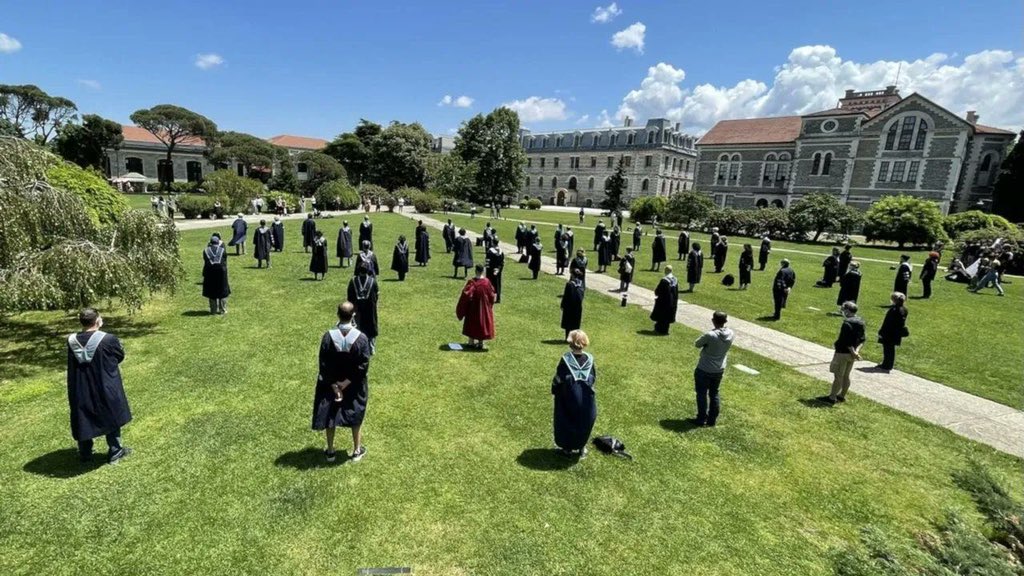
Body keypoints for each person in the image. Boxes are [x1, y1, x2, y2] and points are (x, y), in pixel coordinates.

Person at [66, 308, 132, 463]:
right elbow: (119, 356)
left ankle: (85, 452)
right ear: (97, 321)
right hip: (105, 384)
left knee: (83, 416)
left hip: (80, 387)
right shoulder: (108, 339)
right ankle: (115, 450)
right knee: (111, 413)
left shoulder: (71, 341)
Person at [311, 302, 371, 463]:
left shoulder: (328, 337)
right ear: (353, 315)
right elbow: (363, 365)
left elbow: (323, 363)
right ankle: (357, 450)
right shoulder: (361, 338)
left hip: (332, 382)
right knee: (355, 412)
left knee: (331, 413)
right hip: (354, 384)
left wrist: (334, 385)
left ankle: (330, 451)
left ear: (337, 314)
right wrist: (346, 382)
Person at [551, 329, 597, 458]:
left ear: (571, 343)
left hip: (568, 396)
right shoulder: (590, 359)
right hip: (587, 397)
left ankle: (567, 448)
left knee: (566, 421)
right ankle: (582, 447)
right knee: (584, 421)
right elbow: (593, 378)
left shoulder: (566, 359)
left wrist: (554, 390)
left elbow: (558, 379)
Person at [693, 311, 735, 427]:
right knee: (714, 393)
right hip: (719, 369)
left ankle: (701, 418)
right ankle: (712, 420)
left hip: (704, 368)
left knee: (701, 394)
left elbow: (697, 344)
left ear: (713, 320)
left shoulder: (710, 335)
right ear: (725, 321)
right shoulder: (731, 333)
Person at [826, 301, 866, 404]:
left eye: (843, 310)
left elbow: (846, 341)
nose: (842, 312)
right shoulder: (861, 322)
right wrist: (856, 352)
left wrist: (853, 351)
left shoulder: (847, 323)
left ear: (847, 311)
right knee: (846, 376)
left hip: (842, 353)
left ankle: (832, 397)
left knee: (838, 376)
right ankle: (842, 396)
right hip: (851, 355)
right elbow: (862, 339)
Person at [456, 264, 496, 349]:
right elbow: (492, 295)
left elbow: (466, 294)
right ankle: (480, 343)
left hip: (473, 307)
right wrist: (490, 304)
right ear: (483, 271)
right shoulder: (487, 282)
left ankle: (471, 341)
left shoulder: (472, 282)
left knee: (472, 322)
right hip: (484, 307)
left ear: (476, 271)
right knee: (482, 323)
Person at [348, 267, 380, 354]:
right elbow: (377, 294)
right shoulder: (373, 281)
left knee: (358, 328)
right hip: (370, 309)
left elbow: (349, 297)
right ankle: (371, 347)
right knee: (371, 328)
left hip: (357, 309)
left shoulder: (353, 281)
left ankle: (358, 347)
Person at [877, 292, 908, 372]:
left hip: (889, 332)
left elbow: (887, 322)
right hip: (897, 332)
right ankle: (889, 364)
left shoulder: (893, 310)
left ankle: (886, 364)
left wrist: (881, 332)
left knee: (887, 349)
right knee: (891, 349)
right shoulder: (904, 309)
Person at [202, 234, 230, 314]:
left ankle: (213, 310)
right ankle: (222, 310)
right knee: (222, 291)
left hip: (210, 273)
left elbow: (206, 260)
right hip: (221, 273)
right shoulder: (222, 250)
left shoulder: (205, 251)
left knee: (212, 291)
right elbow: (224, 260)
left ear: (210, 243)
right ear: (218, 242)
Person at [651, 266, 679, 334]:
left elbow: (658, 291)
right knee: (667, 317)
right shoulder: (675, 280)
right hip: (672, 302)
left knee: (661, 316)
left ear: (665, 271)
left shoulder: (664, 280)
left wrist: (656, 293)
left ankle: (658, 330)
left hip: (663, 301)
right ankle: (665, 330)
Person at [560, 270, 586, 339]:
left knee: (568, 322)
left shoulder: (569, 284)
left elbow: (566, 295)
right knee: (575, 322)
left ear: (572, 275)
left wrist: (562, 305)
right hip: (578, 306)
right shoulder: (581, 284)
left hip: (569, 306)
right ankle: (574, 338)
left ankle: (567, 337)